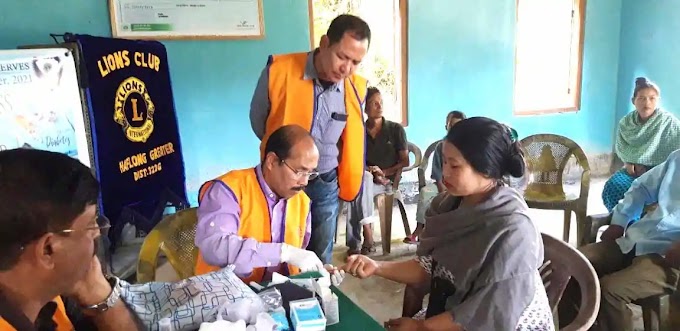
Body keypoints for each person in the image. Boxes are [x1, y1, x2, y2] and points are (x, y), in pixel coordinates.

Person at [342, 117, 553, 331]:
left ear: (487, 170)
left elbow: (491, 313)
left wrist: (421, 327)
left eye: (454, 165)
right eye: (444, 162)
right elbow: (431, 266)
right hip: (461, 307)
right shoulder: (449, 205)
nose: (445, 173)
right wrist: (376, 266)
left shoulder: (513, 230)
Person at [249, 14, 371, 264]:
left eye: (356, 62)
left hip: (325, 182)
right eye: (342, 56)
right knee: (281, 251)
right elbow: (258, 121)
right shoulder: (279, 71)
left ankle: (316, 300)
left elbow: (350, 138)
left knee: (320, 256)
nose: (346, 68)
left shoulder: (355, 87)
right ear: (325, 43)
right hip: (283, 181)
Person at [0, 148, 140, 330]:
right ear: (48, 250)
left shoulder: (52, 296)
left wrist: (97, 293)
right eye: (90, 225)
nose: (98, 232)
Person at [194, 125, 344, 285]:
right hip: (224, 298)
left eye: (310, 173)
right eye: (299, 171)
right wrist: (283, 252)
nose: (304, 182)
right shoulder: (228, 191)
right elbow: (214, 247)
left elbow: (292, 265)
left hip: (272, 297)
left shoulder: (301, 201)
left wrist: (315, 273)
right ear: (272, 161)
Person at [559, 149, 680, 331]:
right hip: (636, 240)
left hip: (667, 260)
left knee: (610, 291)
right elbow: (641, 188)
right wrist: (620, 221)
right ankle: (576, 327)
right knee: (569, 263)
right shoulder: (677, 158)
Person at [601, 77, 680, 211]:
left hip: (662, 172)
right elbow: (623, 148)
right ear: (634, 101)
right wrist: (629, 162)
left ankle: (645, 226)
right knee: (614, 186)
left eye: (652, 98)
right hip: (633, 170)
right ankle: (622, 222)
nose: (647, 102)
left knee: (654, 196)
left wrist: (657, 168)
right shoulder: (626, 123)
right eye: (641, 98)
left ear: (658, 100)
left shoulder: (669, 122)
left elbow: (677, 153)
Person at [346, 87, 408, 255]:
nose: (379, 106)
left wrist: (384, 173)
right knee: (358, 185)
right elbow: (354, 159)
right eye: (374, 103)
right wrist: (372, 171)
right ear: (364, 108)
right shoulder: (359, 131)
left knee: (357, 189)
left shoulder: (395, 129)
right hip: (367, 180)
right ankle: (367, 234)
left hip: (387, 183)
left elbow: (405, 160)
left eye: (381, 102)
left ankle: (360, 242)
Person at [404, 110, 466, 244]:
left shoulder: (469, 147)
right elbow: (437, 174)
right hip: (443, 184)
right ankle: (419, 229)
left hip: (463, 185)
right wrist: (444, 191)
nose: (454, 129)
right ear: (446, 127)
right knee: (425, 193)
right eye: (451, 126)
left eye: (458, 126)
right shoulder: (441, 147)